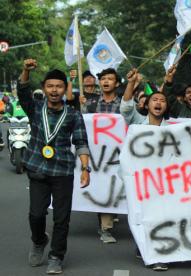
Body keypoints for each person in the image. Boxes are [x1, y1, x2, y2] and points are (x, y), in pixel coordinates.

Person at [18, 59, 90, 274]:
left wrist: (85, 169)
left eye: (59, 86)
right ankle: (39, 240)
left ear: (65, 88)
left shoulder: (74, 115)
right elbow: (22, 92)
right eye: (50, 86)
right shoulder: (35, 108)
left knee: (62, 218)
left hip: (63, 171)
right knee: (36, 215)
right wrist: (25, 71)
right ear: (44, 88)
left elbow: (81, 142)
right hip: (37, 168)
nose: (54, 90)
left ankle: (56, 256)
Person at [120, 68, 169, 271]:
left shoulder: (174, 128)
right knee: (142, 215)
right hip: (139, 180)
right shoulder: (137, 123)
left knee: (162, 215)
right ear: (146, 104)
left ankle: (158, 251)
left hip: (165, 181)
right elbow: (125, 109)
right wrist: (131, 84)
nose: (158, 103)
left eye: (162, 100)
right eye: (154, 100)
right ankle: (145, 246)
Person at [82, 68, 122, 243]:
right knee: (103, 186)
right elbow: (83, 125)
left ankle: (110, 218)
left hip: (118, 154)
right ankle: (105, 229)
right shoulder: (91, 104)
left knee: (116, 186)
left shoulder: (124, 104)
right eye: (103, 79)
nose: (105, 81)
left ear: (117, 83)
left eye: (110, 79)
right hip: (98, 155)